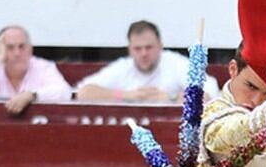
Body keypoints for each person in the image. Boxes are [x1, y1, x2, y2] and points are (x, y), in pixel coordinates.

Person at [76, 20, 219, 104]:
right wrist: (126, 95)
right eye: (138, 49)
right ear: (130, 49)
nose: (143, 53)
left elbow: (209, 95)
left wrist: (170, 97)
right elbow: (82, 92)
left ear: (160, 46)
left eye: (148, 47)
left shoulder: (175, 63)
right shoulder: (123, 67)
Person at [0, 25, 72, 115]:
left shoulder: (44, 67)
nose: (17, 53)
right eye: (10, 48)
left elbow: (64, 92)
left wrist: (31, 96)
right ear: (0, 50)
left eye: (22, 46)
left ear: (30, 48)